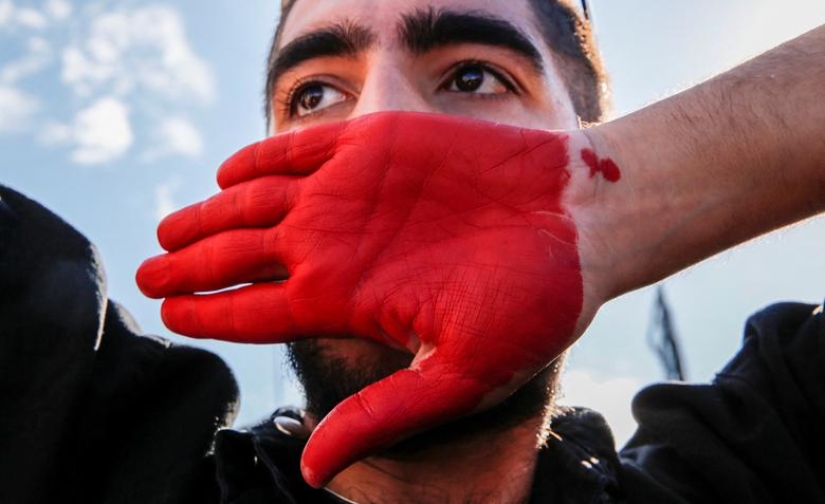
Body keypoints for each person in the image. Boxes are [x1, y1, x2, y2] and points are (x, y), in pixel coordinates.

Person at [1, 1, 823, 504]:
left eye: (471, 77)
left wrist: (603, 192)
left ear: (585, 133)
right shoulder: (77, 448)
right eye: (314, 94)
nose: (374, 132)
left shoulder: (770, 453)